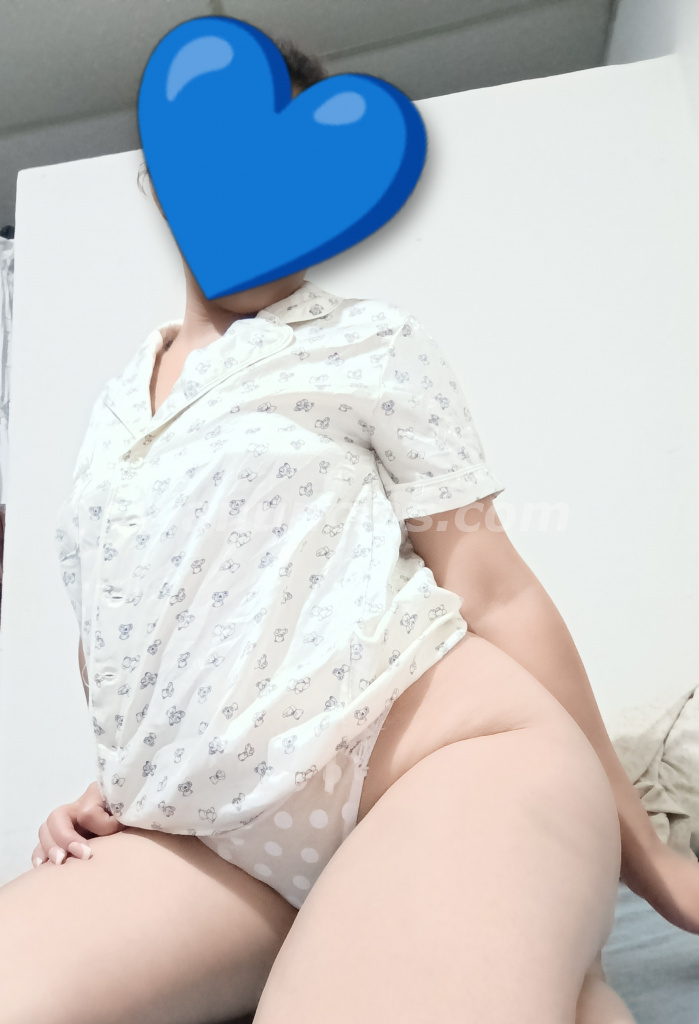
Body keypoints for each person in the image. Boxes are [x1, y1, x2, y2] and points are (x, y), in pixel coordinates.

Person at [4, 34, 696, 1024]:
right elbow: (140, 625)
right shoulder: (113, 414)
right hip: (216, 848)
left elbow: (494, 589)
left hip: (441, 758)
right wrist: (121, 779)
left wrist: (654, 860)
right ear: (159, 183)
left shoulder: (368, 346)